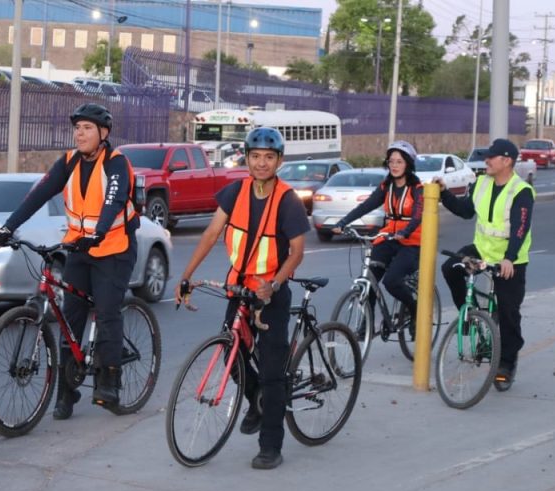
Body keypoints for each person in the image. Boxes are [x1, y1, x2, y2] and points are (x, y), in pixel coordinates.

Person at [0, 103, 139, 419]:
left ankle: (109, 381)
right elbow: (38, 195)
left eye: (87, 128)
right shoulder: (68, 162)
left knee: (108, 310)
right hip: (78, 249)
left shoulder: (116, 163)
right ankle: (65, 392)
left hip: (113, 248)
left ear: (103, 133)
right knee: (71, 319)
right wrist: (8, 227)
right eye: (77, 128)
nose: (80, 133)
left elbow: (112, 200)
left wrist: (98, 233)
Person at [175, 126, 309, 470]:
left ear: (279, 160)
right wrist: (186, 275)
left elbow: (296, 253)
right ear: (246, 159)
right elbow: (210, 233)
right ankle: (256, 400)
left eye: (268, 157)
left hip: (270, 293)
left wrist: (275, 284)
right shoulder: (234, 193)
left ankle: (271, 445)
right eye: (255, 156)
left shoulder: (287, 200)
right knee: (229, 355)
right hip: (239, 287)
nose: (261, 163)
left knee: (271, 371)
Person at [438, 138, 535, 386]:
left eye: (492, 157)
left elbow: (520, 229)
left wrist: (509, 258)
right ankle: (469, 316)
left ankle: (507, 362)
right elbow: (465, 211)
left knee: (508, 310)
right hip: (481, 249)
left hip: (509, 258)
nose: (487, 160)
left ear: (507, 161)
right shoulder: (481, 182)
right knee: (450, 267)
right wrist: (443, 193)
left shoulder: (521, 191)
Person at [331, 141, 425, 337]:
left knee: (392, 281)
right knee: (371, 278)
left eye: (399, 161)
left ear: (408, 163)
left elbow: (418, 215)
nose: (394, 165)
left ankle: (415, 310)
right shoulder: (386, 185)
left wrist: (406, 231)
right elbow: (366, 205)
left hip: (411, 242)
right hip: (388, 237)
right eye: (391, 161)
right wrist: (343, 222)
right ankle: (367, 324)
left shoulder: (417, 187)